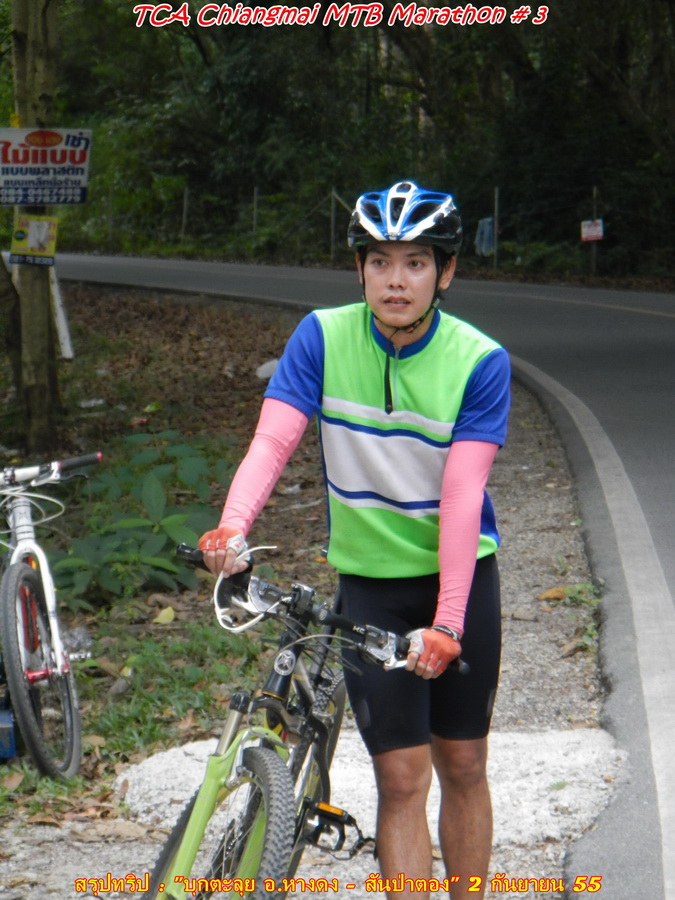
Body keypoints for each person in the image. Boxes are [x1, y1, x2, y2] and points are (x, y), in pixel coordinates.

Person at [199, 180, 510, 899]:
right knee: (400, 777)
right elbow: (273, 441)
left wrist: (448, 624)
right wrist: (233, 525)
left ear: (446, 272)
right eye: (379, 262)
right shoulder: (321, 335)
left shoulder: (479, 360)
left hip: (458, 583)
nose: (395, 280)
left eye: (415, 263)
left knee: (463, 764)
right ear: (359, 270)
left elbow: (462, 496)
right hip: (369, 583)